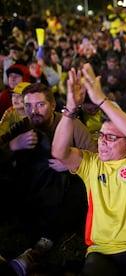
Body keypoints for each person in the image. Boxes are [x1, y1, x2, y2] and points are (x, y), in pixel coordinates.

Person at [51, 64, 126, 276]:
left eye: (111, 137)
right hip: (100, 250)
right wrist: (70, 110)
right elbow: (59, 152)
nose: (102, 142)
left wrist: (101, 99)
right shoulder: (91, 164)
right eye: (101, 135)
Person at [0, 82, 97, 275]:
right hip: (31, 187)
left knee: (80, 193)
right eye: (28, 106)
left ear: (52, 105)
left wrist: (72, 162)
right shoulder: (23, 126)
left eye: (40, 105)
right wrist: (12, 145)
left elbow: (96, 159)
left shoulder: (72, 125)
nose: (33, 111)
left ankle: (45, 237)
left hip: (64, 191)